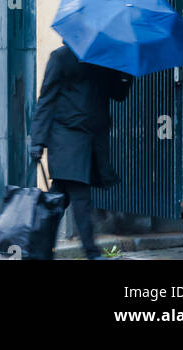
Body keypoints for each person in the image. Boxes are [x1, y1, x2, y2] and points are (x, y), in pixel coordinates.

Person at [29, 42, 133, 260]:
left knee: (58, 198)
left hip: (91, 143)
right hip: (66, 139)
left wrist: (125, 73)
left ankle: (38, 249)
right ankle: (92, 253)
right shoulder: (61, 57)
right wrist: (38, 140)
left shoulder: (102, 59)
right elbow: (46, 99)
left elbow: (118, 94)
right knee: (80, 196)